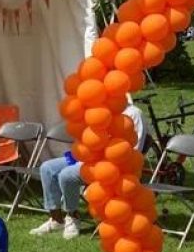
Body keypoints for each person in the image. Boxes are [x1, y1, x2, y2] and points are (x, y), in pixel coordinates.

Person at [30, 101, 147, 239]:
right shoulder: (97, 110)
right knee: (47, 168)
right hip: (87, 159)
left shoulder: (134, 113)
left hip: (111, 166)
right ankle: (56, 219)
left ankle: (72, 216)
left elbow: (134, 148)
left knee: (67, 175)